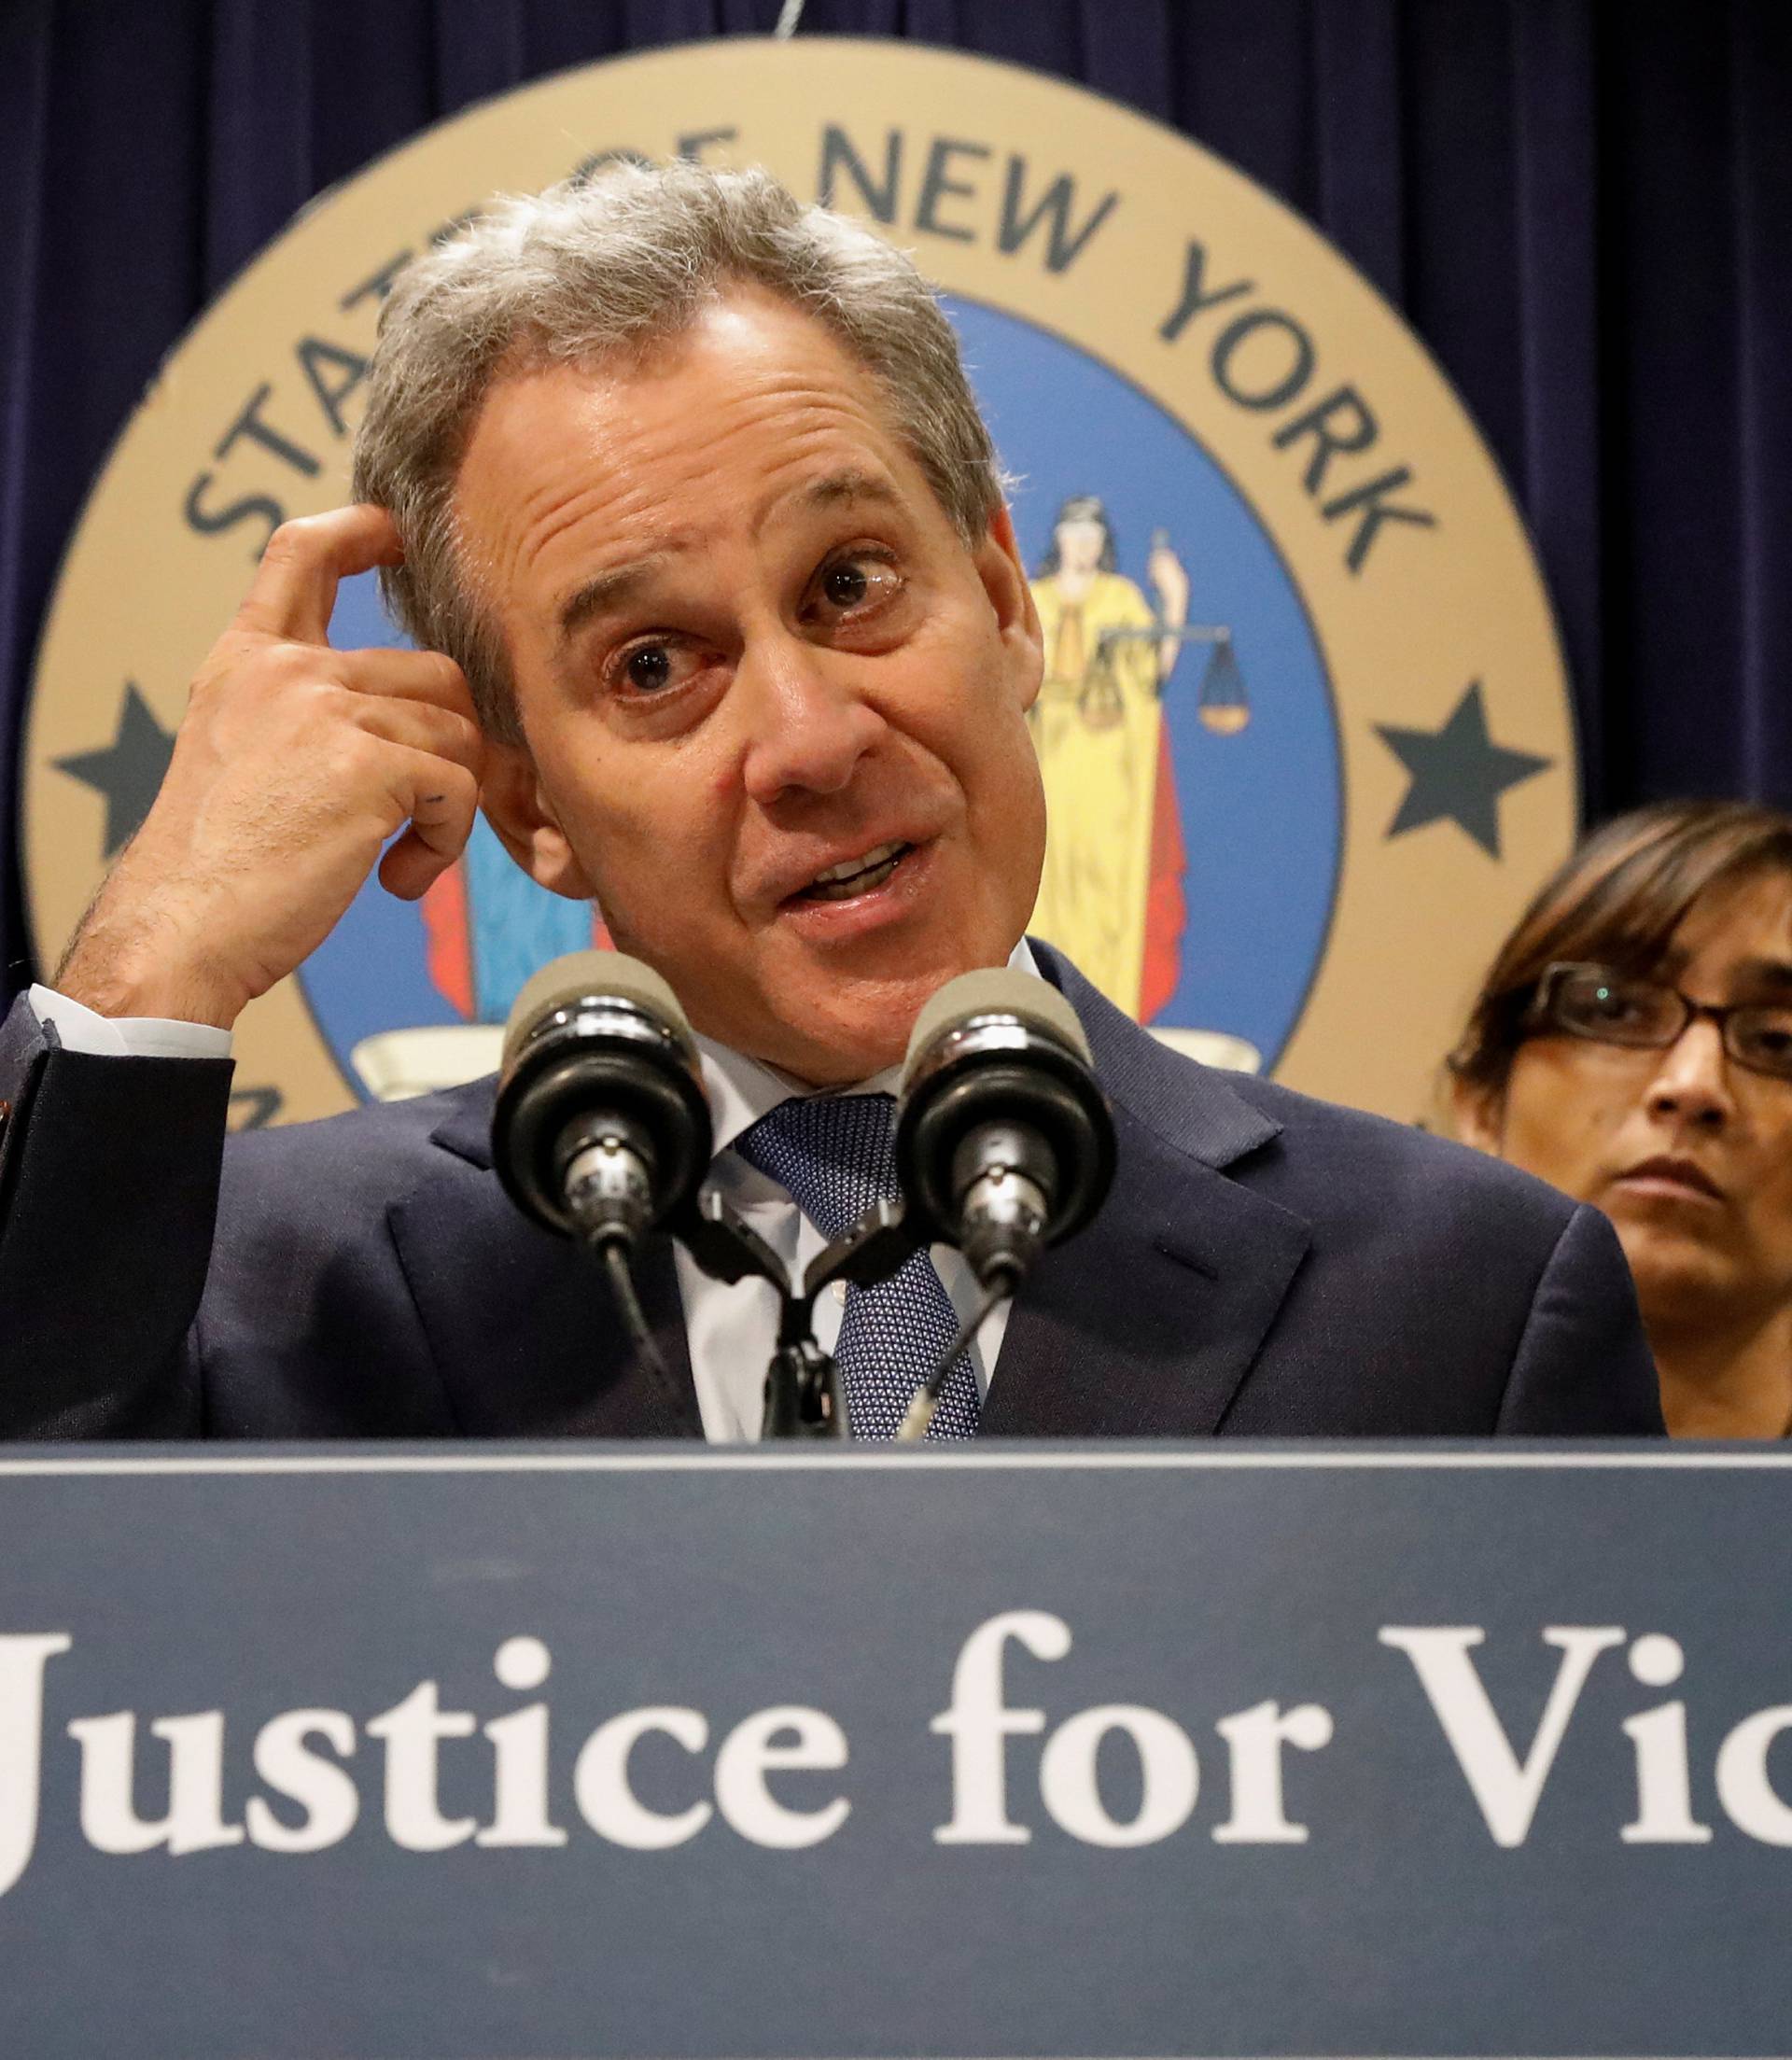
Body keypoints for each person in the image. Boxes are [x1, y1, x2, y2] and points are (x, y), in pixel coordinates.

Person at [0, 161, 1660, 1440]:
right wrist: (150, 973)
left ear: (1007, 604)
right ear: (525, 803)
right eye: (655, 666)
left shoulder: (1470, 1301)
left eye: (854, 580)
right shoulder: (263, 1293)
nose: (808, 736)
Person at [1450, 799, 1792, 1437]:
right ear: (1480, 1102)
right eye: (1615, 1009)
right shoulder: (1325, 1467)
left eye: (1778, 1041)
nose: (1693, 1086)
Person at [1027, 497, 1188, 1016]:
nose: (1082, 545)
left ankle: (1105, 1010)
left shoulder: (1120, 599)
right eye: (1074, 533)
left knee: (1102, 884)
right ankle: (1045, 1003)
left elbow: (1149, 680)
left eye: (1091, 535)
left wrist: (1175, 600)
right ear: (1059, 539)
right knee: (1050, 880)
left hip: (1105, 772)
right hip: (1050, 762)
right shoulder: (1033, 599)